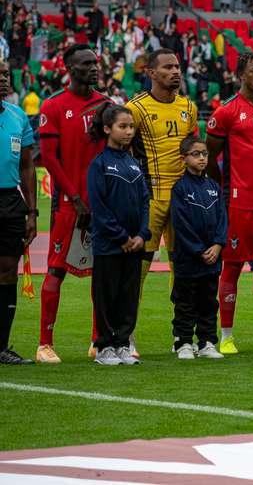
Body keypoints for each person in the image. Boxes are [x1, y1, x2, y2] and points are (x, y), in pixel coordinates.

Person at [206, 53, 253, 353]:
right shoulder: (226, 112)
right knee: (233, 267)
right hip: (238, 204)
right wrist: (225, 190)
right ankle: (226, 336)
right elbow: (210, 158)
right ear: (241, 74)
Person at [36, 45, 107, 363]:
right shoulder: (53, 106)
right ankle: (44, 344)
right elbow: (49, 159)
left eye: (96, 63)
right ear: (70, 69)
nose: (94, 68)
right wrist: (75, 198)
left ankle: (98, 341)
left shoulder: (106, 106)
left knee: (102, 273)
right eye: (86, 63)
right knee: (56, 270)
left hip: (101, 205)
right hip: (68, 205)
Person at [127, 48, 199, 357]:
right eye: (168, 67)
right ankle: (125, 336)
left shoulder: (189, 107)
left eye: (178, 66)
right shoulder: (135, 108)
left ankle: (182, 336)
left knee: (182, 269)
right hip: (150, 198)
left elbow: (194, 151)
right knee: (137, 270)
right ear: (151, 73)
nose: (175, 72)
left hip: (183, 200)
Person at [86, 103, 150, 366]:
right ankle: (104, 347)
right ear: (107, 129)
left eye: (131, 127)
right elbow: (99, 208)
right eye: (122, 126)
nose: (129, 131)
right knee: (107, 296)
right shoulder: (99, 164)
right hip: (109, 245)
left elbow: (145, 201)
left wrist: (142, 234)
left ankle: (123, 344)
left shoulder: (134, 164)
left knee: (128, 297)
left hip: (134, 245)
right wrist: (121, 237)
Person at [170, 136, 227, 360]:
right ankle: (184, 342)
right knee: (185, 303)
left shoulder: (213, 187)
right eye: (196, 154)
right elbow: (180, 223)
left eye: (204, 154)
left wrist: (218, 245)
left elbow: (222, 218)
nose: (202, 158)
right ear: (183, 158)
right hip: (188, 259)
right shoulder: (180, 188)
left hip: (212, 258)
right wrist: (199, 249)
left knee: (209, 303)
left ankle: (207, 342)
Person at [0, 60, 38, 364]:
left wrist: (32, 212)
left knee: (8, 271)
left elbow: (27, 167)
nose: (3, 79)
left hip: (10, 201)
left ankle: (1, 346)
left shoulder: (18, 115)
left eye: (4, 74)